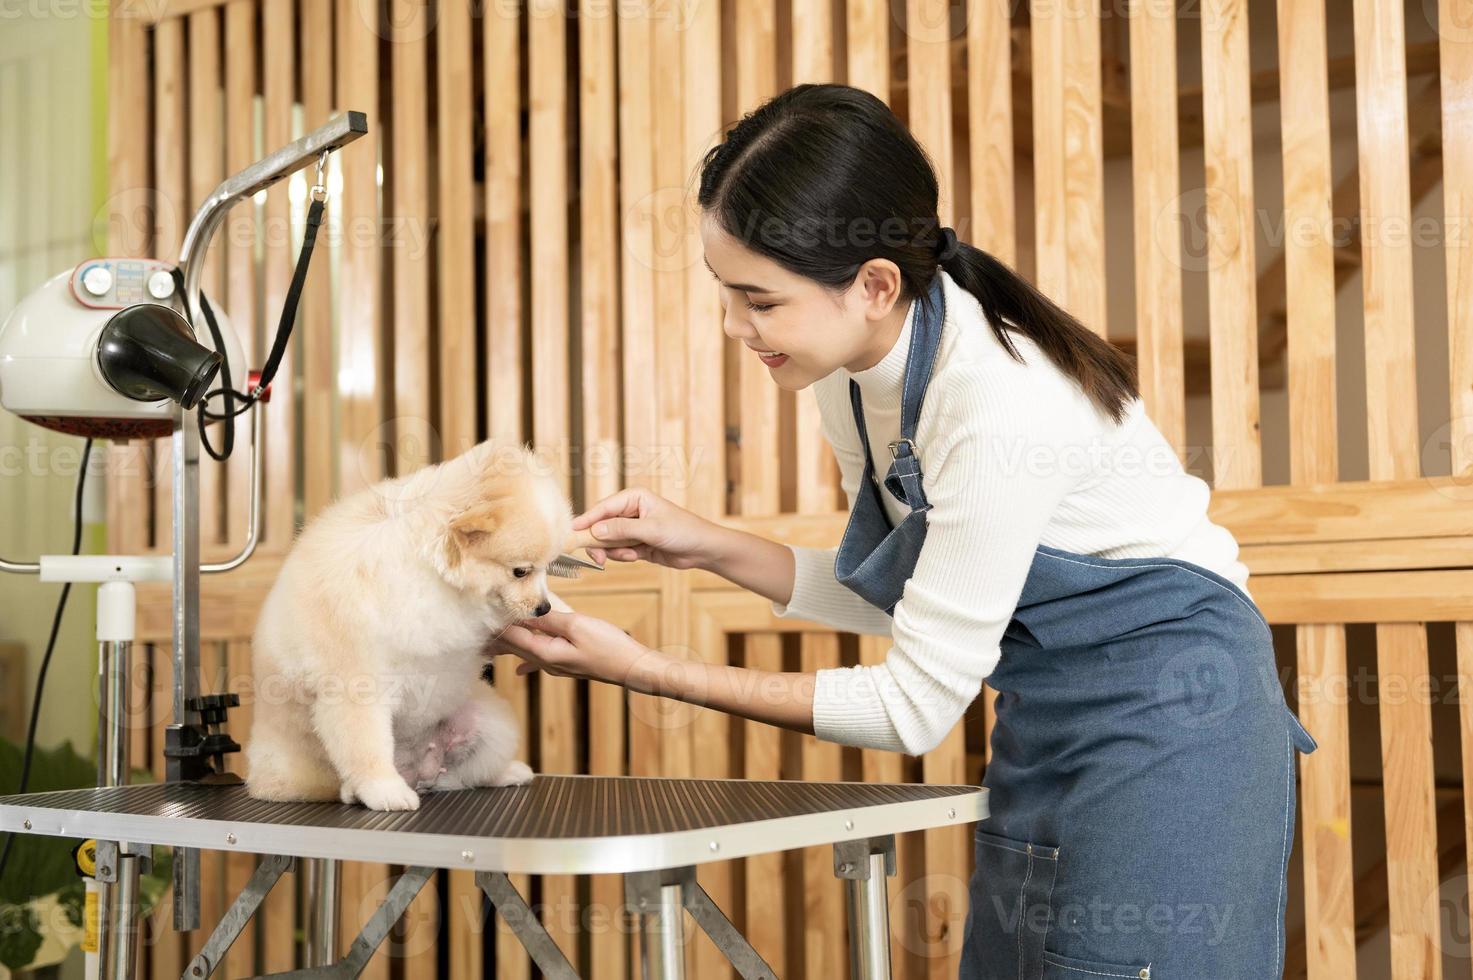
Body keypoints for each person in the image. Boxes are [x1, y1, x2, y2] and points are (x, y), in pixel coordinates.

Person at [496, 82, 1318, 979]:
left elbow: (914, 708)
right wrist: (703, 543)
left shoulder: (997, 403)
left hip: (1176, 724)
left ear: (874, 284)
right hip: (1047, 717)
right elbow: (902, 606)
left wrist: (644, 671)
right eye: (724, 293)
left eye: (759, 300)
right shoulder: (846, 378)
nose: (735, 326)